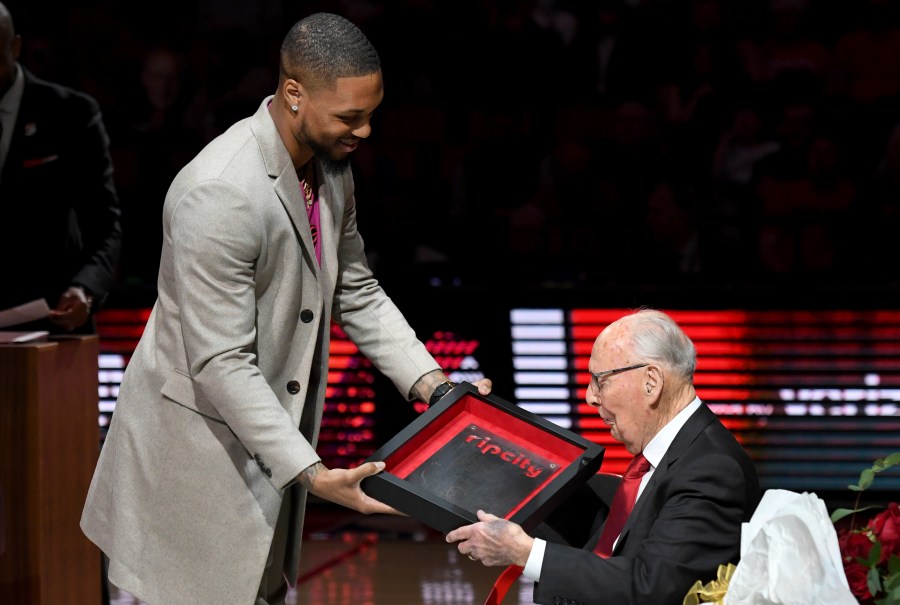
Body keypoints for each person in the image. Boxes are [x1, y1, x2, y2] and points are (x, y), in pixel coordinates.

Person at [80, 12, 491, 605]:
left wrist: (434, 388)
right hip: (194, 462)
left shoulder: (331, 165)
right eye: (350, 116)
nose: (366, 131)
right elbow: (220, 361)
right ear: (293, 94)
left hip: (267, 445)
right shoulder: (219, 193)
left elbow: (354, 288)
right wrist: (315, 473)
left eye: (372, 112)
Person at [447, 308, 760, 605]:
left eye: (601, 379)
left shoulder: (712, 469)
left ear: (651, 382)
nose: (589, 395)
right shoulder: (666, 458)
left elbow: (652, 589)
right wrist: (469, 429)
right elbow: (585, 533)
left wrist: (525, 553)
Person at [0, 1, 122, 334]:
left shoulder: (72, 115)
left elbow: (105, 226)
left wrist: (85, 288)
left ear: (15, 46)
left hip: (54, 326)